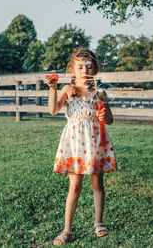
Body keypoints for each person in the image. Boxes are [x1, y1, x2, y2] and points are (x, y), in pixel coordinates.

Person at [45, 48, 117, 245]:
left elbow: (109, 119)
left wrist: (105, 115)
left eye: (89, 66)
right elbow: (53, 110)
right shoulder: (68, 91)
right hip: (75, 144)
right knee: (74, 186)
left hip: (95, 143)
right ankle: (67, 229)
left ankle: (98, 222)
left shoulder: (100, 93)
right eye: (80, 67)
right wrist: (52, 89)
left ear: (95, 69)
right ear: (73, 70)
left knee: (97, 184)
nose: (84, 70)